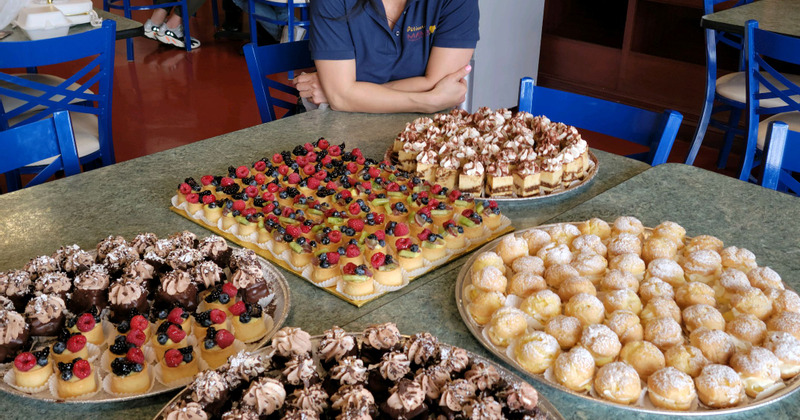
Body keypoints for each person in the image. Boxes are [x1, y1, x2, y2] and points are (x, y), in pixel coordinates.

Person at [295, 0, 479, 113]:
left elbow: (440, 84)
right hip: (338, 126)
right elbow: (341, 98)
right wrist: (426, 101)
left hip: (425, 131)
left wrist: (349, 93)